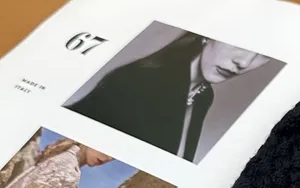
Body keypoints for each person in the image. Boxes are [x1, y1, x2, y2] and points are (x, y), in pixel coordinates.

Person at [67, 32, 270, 162]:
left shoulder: (203, 95)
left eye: (263, 55)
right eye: (241, 45)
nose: (244, 62)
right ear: (208, 35)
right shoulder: (138, 81)